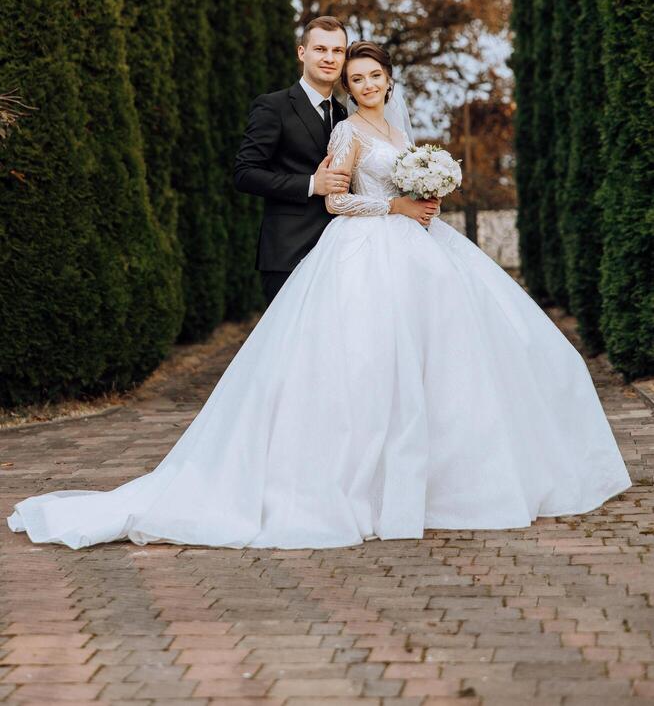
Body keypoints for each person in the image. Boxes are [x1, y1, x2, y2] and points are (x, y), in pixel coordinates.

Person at [6, 41, 632, 550]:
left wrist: (428, 197)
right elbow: (334, 197)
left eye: (370, 73)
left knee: (446, 362)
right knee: (358, 370)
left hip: (420, 248)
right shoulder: (346, 130)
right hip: (363, 251)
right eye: (352, 73)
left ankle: (444, 481)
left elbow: (399, 183)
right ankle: (347, 484)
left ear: (389, 80)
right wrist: (394, 203)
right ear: (314, 58)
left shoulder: (390, 125)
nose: (362, 82)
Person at [234, 15, 351, 305]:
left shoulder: (345, 115)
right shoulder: (273, 106)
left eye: (337, 51)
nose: (329, 58)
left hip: (338, 253)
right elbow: (245, 173)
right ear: (302, 53)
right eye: (320, 49)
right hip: (288, 254)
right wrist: (312, 184)